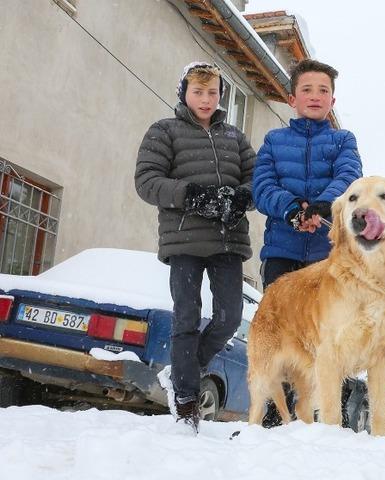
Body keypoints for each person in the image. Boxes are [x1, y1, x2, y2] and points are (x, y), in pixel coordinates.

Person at [135, 62, 256, 433]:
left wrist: (242, 198)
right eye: (198, 91)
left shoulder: (235, 138)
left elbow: (256, 179)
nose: (206, 99)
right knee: (186, 319)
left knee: (229, 318)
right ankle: (186, 401)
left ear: (221, 96)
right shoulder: (164, 131)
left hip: (228, 240)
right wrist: (191, 195)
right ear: (183, 92)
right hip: (184, 239)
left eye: (213, 92)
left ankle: (183, 371)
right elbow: (146, 180)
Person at [253, 59, 362, 290]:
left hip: (329, 254)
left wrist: (324, 205)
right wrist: (292, 210)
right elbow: (263, 188)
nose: (315, 96)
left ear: (332, 101)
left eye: (323, 90)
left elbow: (349, 178)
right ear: (292, 99)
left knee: (325, 325)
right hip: (281, 253)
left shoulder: (343, 140)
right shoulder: (274, 140)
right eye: (306, 90)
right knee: (279, 323)